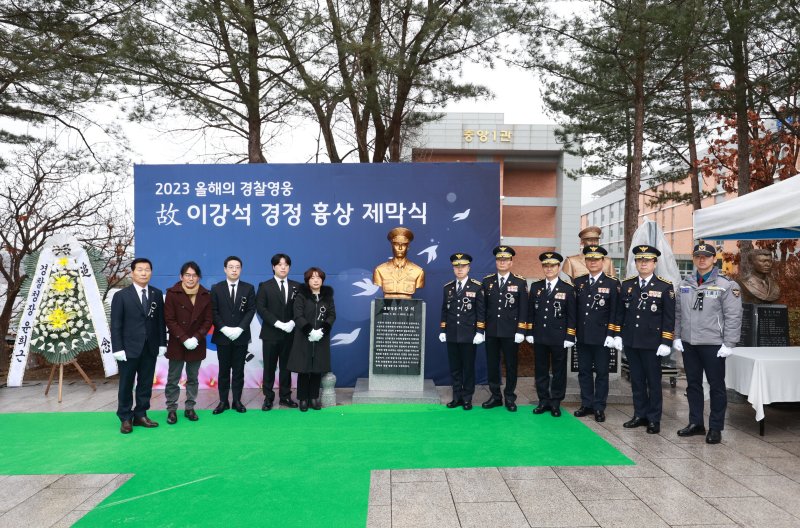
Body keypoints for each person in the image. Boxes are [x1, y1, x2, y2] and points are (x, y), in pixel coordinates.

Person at [673, 243, 742, 444]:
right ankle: (696, 423)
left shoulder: (727, 285)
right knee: (693, 385)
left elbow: (733, 316)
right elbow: (678, 313)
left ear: (714, 259)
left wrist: (729, 343)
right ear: (694, 259)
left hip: (714, 344)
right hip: (689, 343)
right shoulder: (685, 284)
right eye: (698, 256)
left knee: (716, 386)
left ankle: (716, 427)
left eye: (706, 256)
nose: (701, 259)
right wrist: (677, 336)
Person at [619, 245, 675, 434]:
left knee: (653, 381)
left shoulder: (664, 286)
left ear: (654, 263)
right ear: (635, 263)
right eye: (640, 260)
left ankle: (653, 419)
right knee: (637, 380)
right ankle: (639, 414)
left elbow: (669, 317)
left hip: (653, 344)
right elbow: (621, 314)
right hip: (632, 341)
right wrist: (619, 335)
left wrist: (666, 342)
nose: (643, 263)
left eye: (647, 260)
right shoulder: (627, 285)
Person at [110, 257, 166, 434]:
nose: (144, 273)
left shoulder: (156, 294)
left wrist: (162, 343)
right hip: (128, 349)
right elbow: (116, 324)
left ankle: (141, 414)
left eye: (147, 269)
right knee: (126, 384)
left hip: (150, 347)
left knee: (145, 383)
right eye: (140, 269)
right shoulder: (121, 296)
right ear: (132, 272)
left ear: (151, 272)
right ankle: (125, 417)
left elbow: (160, 321)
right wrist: (117, 348)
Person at [572, 246, 622, 422]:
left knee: (602, 373)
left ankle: (599, 407)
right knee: (584, 372)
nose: (593, 262)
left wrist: (612, 333)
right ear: (585, 261)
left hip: (603, 337)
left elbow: (615, 311)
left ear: (603, 261)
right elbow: (574, 311)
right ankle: (587, 404)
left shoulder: (612, 283)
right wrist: (573, 333)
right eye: (589, 259)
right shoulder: (578, 282)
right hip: (583, 336)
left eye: (596, 259)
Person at [526, 252, 576, 417]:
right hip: (540, 336)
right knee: (540, 370)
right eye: (546, 266)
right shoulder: (536, 287)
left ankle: (555, 402)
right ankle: (543, 400)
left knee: (558, 371)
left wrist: (570, 336)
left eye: (552, 266)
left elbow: (571, 315)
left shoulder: (567, 288)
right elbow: (530, 312)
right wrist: (529, 331)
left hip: (559, 337)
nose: (549, 269)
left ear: (558, 267)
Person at [163, 261, 213, 425]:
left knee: (193, 378)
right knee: (173, 379)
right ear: (181, 276)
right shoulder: (172, 293)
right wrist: (184, 338)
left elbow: (208, 320)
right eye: (187, 275)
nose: (190, 278)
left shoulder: (206, 295)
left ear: (198, 277)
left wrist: (196, 338)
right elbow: (169, 320)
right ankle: (171, 410)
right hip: (178, 342)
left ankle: (190, 407)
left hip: (196, 343)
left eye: (194, 275)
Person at [481, 246, 528, 412]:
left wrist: (521, 330)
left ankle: (509, 396)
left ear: (511, 262)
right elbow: (483, 308)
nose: (502, 262)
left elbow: (524, 309)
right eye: (499, 260)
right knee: (492, 364)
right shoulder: (487, 282)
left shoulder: (520, 282)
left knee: (511, 365)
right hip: (492, 331)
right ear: (496, 262)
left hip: (511, 332)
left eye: (505, 259)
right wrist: (482, 329)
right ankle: (495, 396)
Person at [438, 253, 486, 410]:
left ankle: (467, 398)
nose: (459, 270)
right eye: (456, 267)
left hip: (469, 335)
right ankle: (456, 397)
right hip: (452, 334)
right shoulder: (448, 288)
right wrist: (443, 329)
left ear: (469, 268)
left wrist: (480, 331)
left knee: (468, 368)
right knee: (455, 368)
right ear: (453, 268)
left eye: (463, 266)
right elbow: (445, 311)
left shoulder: (477, 287)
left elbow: (480, 311)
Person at [210, 256, 256, 414]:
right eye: (231, 267)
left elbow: (251, 310)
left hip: (241, 337)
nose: (234, 270)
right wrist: (224, 328)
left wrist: (240, 329)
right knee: (223, 371)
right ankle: (223, 402)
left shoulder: (248, 288)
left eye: (237, 267)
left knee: (238, 370)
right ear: (225, 269)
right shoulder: (216, 288)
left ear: (241, 269)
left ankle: (237, 400)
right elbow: (213, 311)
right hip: (222, 337)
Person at [287, 267, 336, 412]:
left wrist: (322, 330)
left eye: (318, 278)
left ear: (322, 280)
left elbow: (332, 315)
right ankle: (302, 399)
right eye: (312, 278)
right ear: (307, 280)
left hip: (321, 338)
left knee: (317, 369)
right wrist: (309, 331)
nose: (316, 280)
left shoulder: (328, 297)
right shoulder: (301, 296)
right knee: (304, 369)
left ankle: (314, 398)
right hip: (304, 337)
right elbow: (298, 315)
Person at [256, 253, 301, 410]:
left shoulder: (297, 286)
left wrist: (292, 322)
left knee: (286, 367)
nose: (283, 267)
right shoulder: (265, 286)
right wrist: (278, 324)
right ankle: (268, 398)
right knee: (269, 367)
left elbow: (300, 309)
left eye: (286, 264)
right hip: (271, 334)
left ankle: (285, 397)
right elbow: (261, 309)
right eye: (280, 264)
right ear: (273, 267)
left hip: (290, 333)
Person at [373, 226, 425, 299]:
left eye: (403, 245)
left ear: (408, 247)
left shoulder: (418, 271)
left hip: (409, 308)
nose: (400, 248)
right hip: (387, 308)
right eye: (396, 244)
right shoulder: (380, 270)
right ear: (392, 246)